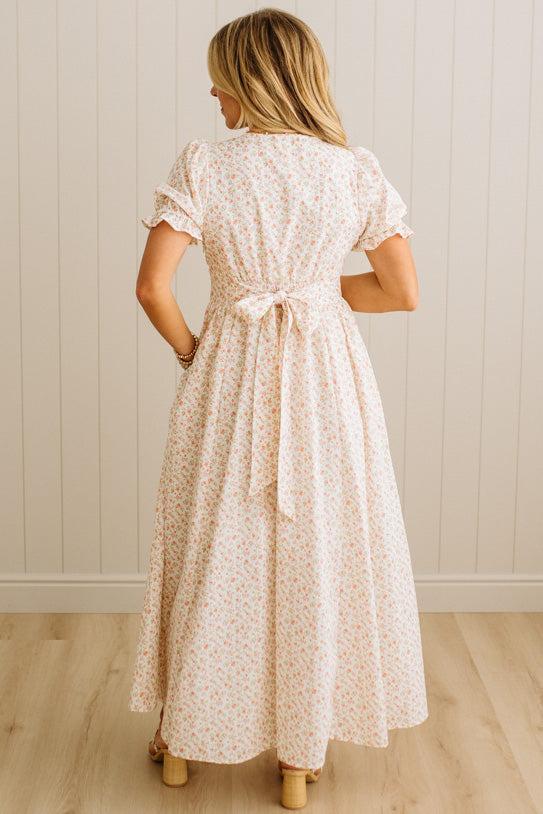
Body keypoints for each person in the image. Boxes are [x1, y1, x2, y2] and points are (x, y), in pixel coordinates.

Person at [128, 7, 428, 809]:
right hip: (326, 378)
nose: (213, 94)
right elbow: (401, 291)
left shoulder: (205, 165)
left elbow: (152, 288)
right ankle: (299, 753)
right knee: (316, 547)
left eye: (220, 77)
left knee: (214, 540)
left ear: (250, 81)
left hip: (229, 371)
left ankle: (184, 739)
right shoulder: (352, 170)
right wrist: (314, 292)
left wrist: (196, 352)